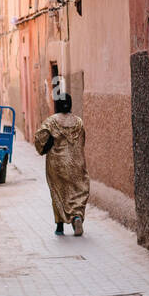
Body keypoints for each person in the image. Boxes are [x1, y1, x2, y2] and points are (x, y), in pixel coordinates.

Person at [33, 91, 89, 236]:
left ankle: (59, 226)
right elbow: (82, 141)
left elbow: (39, 138)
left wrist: (45, 147)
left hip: (56, 164)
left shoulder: (51, 122)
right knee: (77, 192)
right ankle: (76, 217)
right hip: (76, 163)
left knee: (58, 192)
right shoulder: (79, 122)